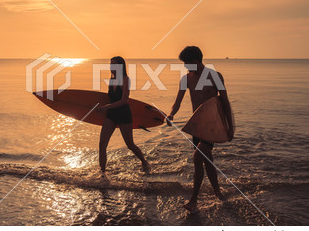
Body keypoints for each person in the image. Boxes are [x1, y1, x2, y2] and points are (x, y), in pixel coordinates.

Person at [166, 46, 234, 213]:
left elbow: (224, 100)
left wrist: (230, 126)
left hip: (212, 124)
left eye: (187, 63)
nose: (185, 67)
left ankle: (194, 199)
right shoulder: (186, 79)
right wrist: (171, 114)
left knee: (198, 157)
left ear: (196, 62)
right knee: (206, 160)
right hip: (197, 125)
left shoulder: (215, 76)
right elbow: (178, 101)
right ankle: (217, 191)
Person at [97, 56, 151, 174]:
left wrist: (105, 107)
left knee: (130, 144)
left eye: (114, 64)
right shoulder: (111, 80)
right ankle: (102, 173)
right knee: (102, 144)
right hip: (111, 115)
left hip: (123, 114)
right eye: (110, 64)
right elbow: (110, 98)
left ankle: (144, 162)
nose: (111, 67)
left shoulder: (126, 79)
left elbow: (124, 100)